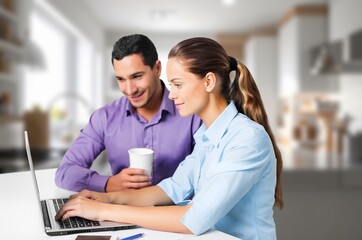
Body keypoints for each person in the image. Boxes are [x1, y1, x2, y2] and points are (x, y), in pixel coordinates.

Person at [55, 37, 284, 240]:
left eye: (177, 84)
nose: (172, 94)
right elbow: (172, 188)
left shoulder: (247, 139)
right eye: (171, 84)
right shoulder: (206, 134)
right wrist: (108, 198)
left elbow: (196, 218)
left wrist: (102, 212)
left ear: (209, 82)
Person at [55, 34, 202, 192]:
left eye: (137, 76)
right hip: (120, 214)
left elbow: (207, 175)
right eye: (121, 79)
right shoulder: (104, 118)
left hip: (174, 213)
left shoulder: (191, 115)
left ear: (157, 69)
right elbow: (64, 173)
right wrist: (108, 183)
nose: (130, 89)